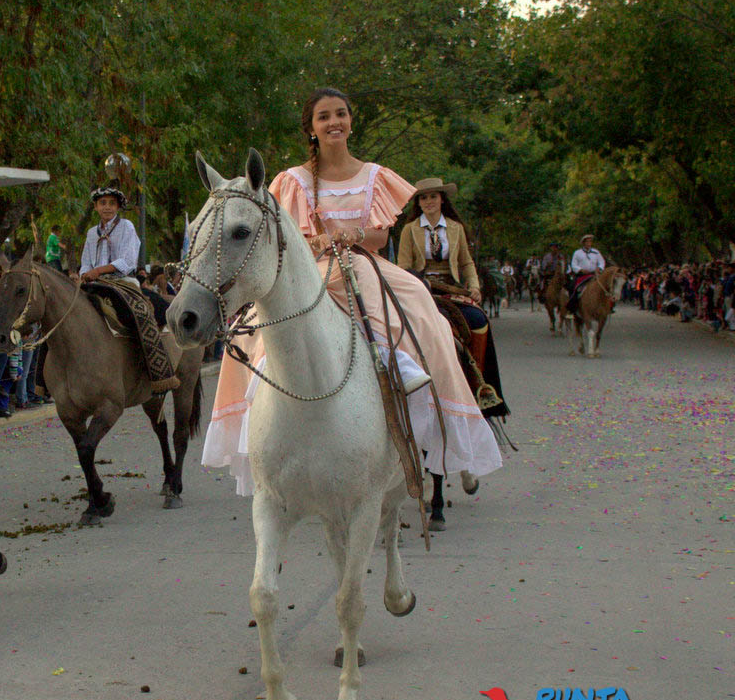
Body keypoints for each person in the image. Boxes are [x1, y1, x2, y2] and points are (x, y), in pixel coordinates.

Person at [204, 88, 502, 509]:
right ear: (311, 128)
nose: (334, 122)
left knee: (419, 303)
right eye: (324, 116)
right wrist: (316, 243)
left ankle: (408, 376)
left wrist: (352, 235)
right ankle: (261, 403)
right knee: (250, 327)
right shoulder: (292, 181)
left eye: (340, 114)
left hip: (361, 263)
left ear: (350, 121)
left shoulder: (375, 175)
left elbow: (380, 236)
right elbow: (285, 237)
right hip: (311, 271)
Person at [397, 178, 509, 422]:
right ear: (419, 203)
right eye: (423, 197)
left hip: (452, 288)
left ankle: (478, 382)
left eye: (433, 196)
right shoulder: (409, 230)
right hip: (421, 289)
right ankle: (408, 381)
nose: (428, 201)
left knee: (479, 320)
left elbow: (466, 262)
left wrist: (475, 286)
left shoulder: (455, 228)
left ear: (442, 199)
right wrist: (417, 285)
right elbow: (403, 267)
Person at [74, 186, 178, 392]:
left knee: (140, 313)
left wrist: (99, 271)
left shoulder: (126, 227)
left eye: (112, 203)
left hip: (122, 282)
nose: (107, 207)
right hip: (94, 284)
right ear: (96, 207)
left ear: (118, 207)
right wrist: (85, 274)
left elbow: (128, 261)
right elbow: (85, 261)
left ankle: (156, 369)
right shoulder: (91, 233)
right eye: (103, 203)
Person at [567, 234, 606, 314]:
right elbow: (573, 264)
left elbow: (602, 262)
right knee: (572, 287)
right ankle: (572, 309)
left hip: (594, 275)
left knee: (605, 287)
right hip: (582, 275)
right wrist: (580, 270)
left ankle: (607, 306)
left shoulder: (596, 252)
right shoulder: (577, 253)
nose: (589, 243)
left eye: (590, 242)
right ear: (583, 243)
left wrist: (599, 268)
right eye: (587, 242)